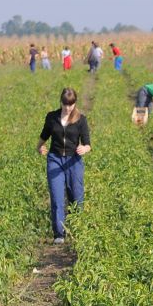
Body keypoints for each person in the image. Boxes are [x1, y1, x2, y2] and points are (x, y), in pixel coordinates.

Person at [37, 87, 91, 243]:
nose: (68, 108)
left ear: (75, 103)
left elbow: (88, 144)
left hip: (73, 160)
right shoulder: (52, 117)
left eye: (71, 104)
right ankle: (59, 234)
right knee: (57, 196)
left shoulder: (81, 119)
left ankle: (78, 229)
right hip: (55, 159)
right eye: (65, 104)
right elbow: (43, 137)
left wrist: (84, 149)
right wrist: (40, 148)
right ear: (61, 102)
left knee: (76, 195)